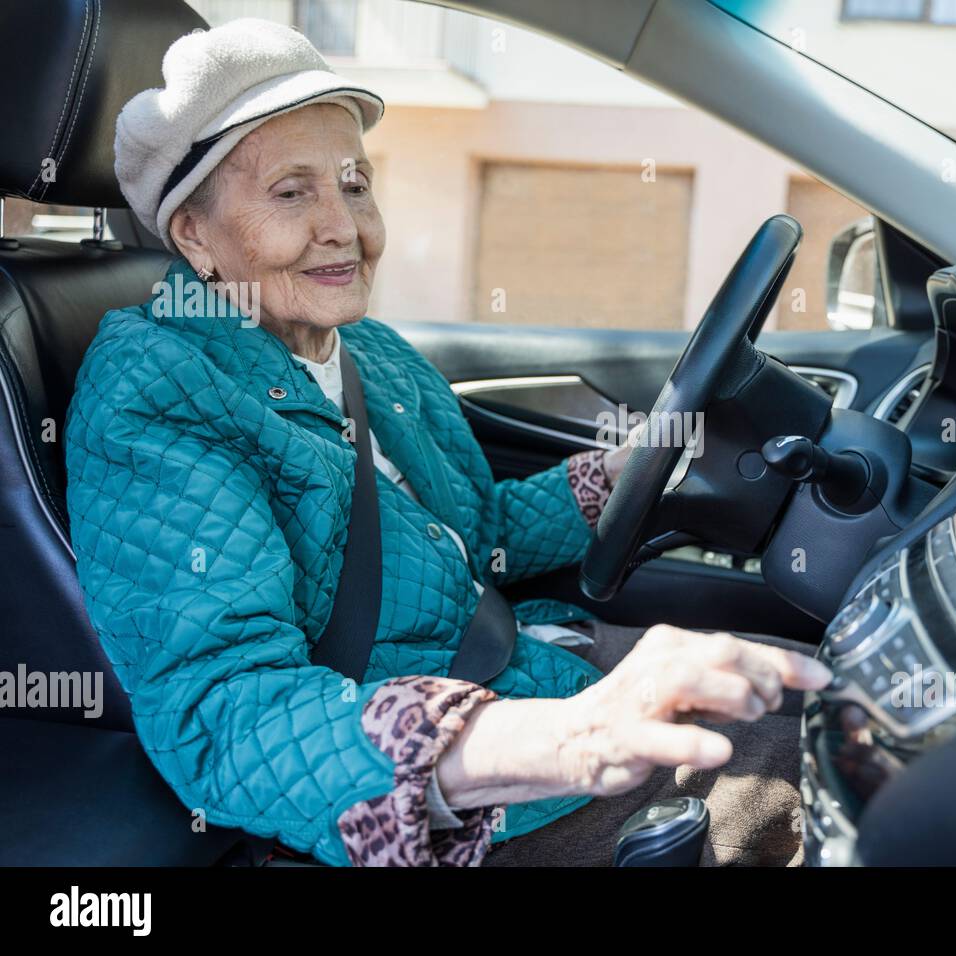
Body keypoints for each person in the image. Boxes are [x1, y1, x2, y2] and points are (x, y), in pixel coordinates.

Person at [65, 18, 829, 867]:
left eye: (354, 184)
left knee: (834, 696)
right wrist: (569, 737)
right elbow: (224, 710)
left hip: (529, 659)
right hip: (448, 797)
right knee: (833, 769)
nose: (342, 226)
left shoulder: (371, 354)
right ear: (194, 235)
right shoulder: (155, 386)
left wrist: (615, 475)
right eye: (291, 192)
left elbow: (476, 532)